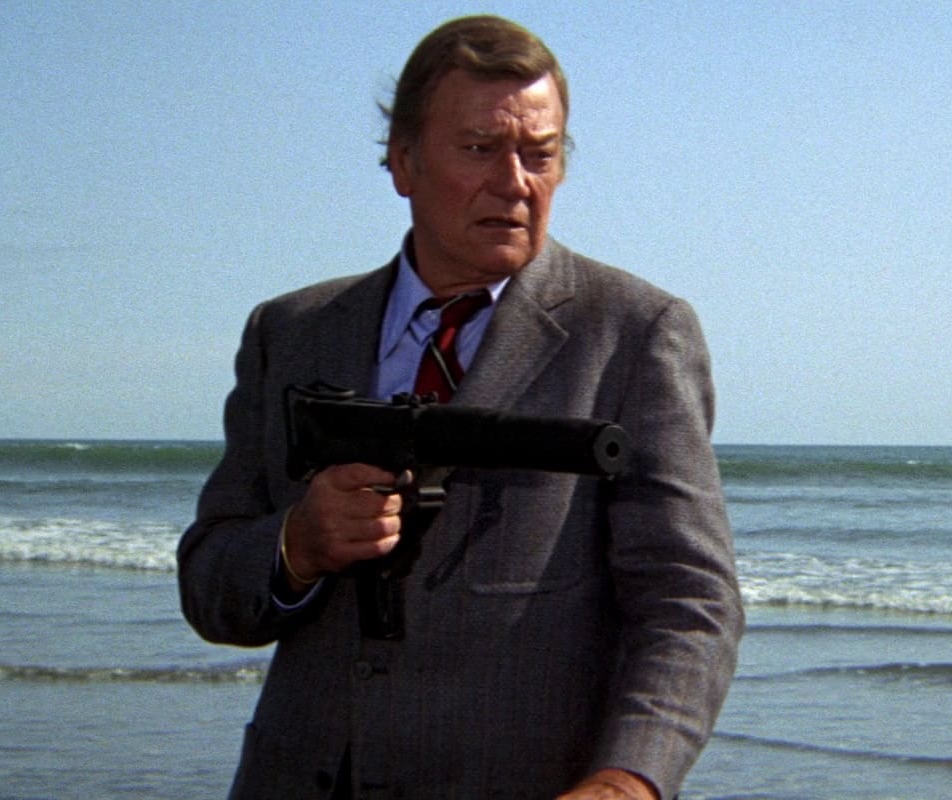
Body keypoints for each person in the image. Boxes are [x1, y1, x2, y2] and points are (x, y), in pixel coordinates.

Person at [178, 15, 742, 800]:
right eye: (479, 148)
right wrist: (297, 545)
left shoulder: (633, 334)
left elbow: (688, 602)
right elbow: (209, 586)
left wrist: (628, 781)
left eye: (540, 154)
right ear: (404, 161)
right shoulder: (293, 333)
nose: (515, 183)